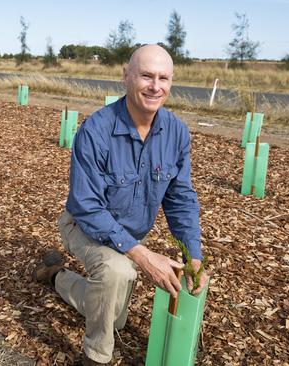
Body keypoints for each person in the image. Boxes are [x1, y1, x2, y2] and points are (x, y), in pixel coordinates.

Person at [33, 44, 209, 365]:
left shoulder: (177, 133)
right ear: (125, 76)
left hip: (127, 234)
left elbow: (181, 199)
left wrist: (192, 255)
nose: (155, 86)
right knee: (115, 271)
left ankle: (57, 275)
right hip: (84, 224)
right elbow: (86, 205)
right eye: (146, 76)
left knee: (116, 318)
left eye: (163, 78)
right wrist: (141, 255)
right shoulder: (96, 131)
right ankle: (95, 354)